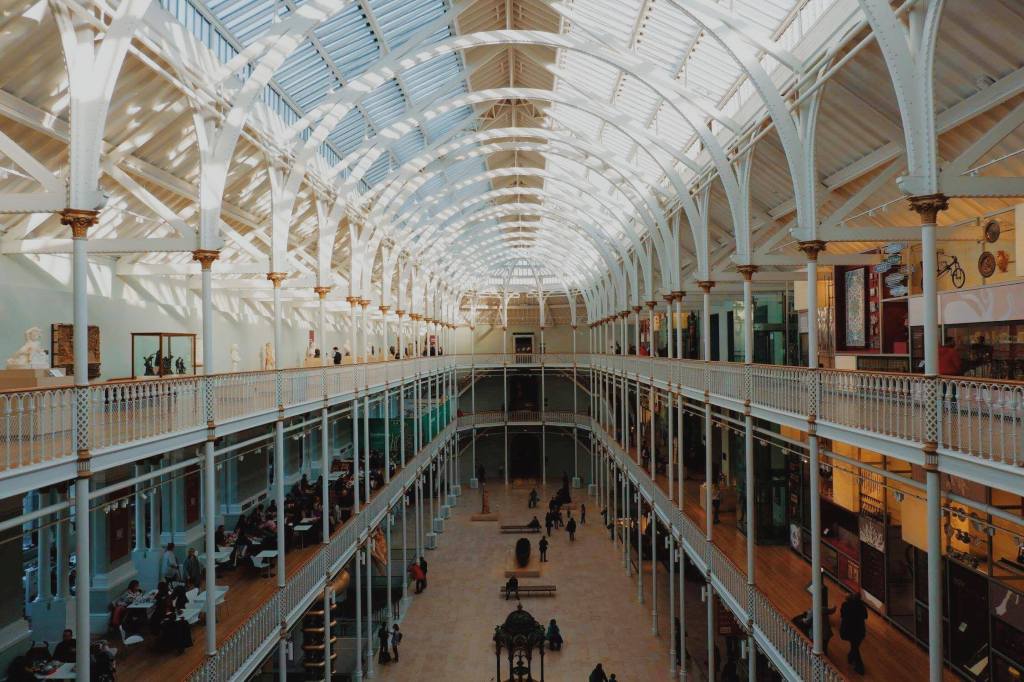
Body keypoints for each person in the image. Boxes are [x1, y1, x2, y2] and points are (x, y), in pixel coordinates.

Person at [840, 592, 869, 674]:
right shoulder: (861, 606)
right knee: (855, 646)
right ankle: (852, 659)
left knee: (854, 647)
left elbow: (842, 614)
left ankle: (858, 665)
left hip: (849, 630)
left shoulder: (846, 605)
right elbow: (865, 616)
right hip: (859, 630)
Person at [939, 338, 962, 405]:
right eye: (953, 342)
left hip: (940, 375)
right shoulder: (953, 352)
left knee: (942, 392)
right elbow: (958, 364)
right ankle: (953, 409)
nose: (955, 343)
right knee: (953, 393)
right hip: (952, 375)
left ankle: (940, 408)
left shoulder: (938, 351)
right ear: (950, 343)